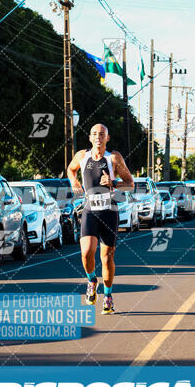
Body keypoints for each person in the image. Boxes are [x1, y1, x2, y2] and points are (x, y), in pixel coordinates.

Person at [67, 124, 134, 314]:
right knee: (87, 252)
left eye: (102, 134)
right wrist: (74, 181)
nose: (98, 137)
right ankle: (91, 280)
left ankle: (108, 296)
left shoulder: (114, 158)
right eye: (95, 134)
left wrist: (113, 183)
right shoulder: (82, 156)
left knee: (107, 258)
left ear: (107, 138)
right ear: (90, 138)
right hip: (90, 210)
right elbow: (71, 170)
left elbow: (130, 184)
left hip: (109, 211)